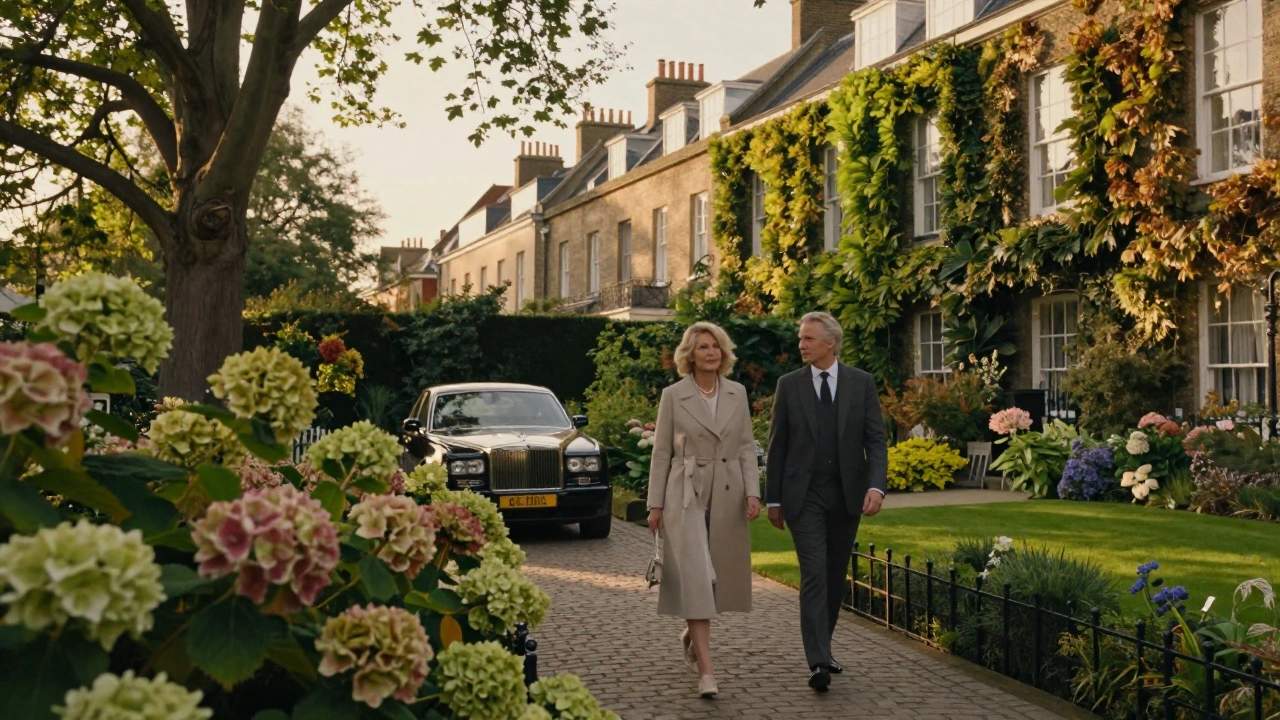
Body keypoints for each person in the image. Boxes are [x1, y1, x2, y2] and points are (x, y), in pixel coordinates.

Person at [766, 311, 888, 692]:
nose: (801, 344)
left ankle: (825, 645)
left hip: (847, 495)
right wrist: (773, 500)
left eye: (808, 339)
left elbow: (876, 440)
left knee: (835, 575)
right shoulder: (789, 385)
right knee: (814, 573)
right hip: (803, 496)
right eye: (801, 338)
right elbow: (777, 446)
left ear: (831, 343)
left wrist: (876, 487)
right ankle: (818, 661)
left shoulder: (861, 383)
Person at [647, 321, 762, 699]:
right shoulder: (673, 395)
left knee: (718, 578)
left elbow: (745, 446)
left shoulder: (737, 392)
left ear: (723, 353)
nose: (711, 352)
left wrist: (753, 492)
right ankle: (707, 673)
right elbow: (661, 452)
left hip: (728, 490)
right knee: (696, 575)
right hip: (686, 492)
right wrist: (655, 505)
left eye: (715, 346)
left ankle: (691, 635)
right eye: (703, 347)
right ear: (690, 355)